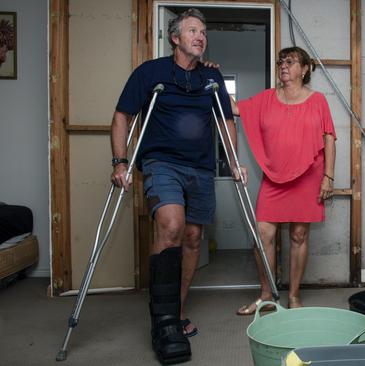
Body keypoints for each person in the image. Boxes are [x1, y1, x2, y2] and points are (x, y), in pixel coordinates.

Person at [110, 8, 242, 363]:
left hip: (200, 168)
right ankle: (164, 322)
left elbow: (227, 121)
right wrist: (120, 161)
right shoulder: (150, 72)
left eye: (204, 32)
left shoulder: (210, 79)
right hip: (160, 163)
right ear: (175, 38)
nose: (201, 36)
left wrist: (232, 159)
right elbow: (123, 115)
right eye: (193, 30)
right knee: (172, 226)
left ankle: (174, 312)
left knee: (194, 238)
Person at [232, 46, 336, 315]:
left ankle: (294, 297)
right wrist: (208, 82)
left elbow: (329, 138)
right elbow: (233, 108)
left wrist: (328, 176)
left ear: (304, 69)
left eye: (290, 62)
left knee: (299, 235)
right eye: (281, 62)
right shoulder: (266, 99)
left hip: (308, 177)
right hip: (275, 179)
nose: (283, 66)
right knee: (263, 234)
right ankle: (266, 295)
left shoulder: (318, 101)